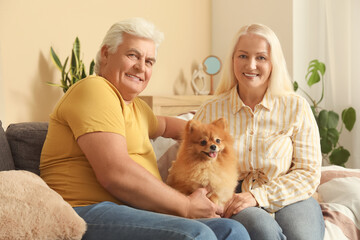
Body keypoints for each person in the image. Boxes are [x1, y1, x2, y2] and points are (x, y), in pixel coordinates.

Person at [40, 18, 250, 240]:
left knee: (232, 230)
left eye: (149, 61)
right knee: (196, 234)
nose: (141, 67)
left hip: (136, 211)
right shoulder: (95, 89)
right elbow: (114, 172)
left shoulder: (136, 107)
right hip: (85, 211)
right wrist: (186, 206)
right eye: (133, 55)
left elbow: (167, 125)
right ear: (105, 53)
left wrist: (209, 135)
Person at [194, 23, 325, 240]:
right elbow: (194, 161)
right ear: (233, 59)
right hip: (234, 197)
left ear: (273, 63)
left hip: (291, 194)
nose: (251, 65)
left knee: (303, 236)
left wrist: (258, 196)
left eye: (261, 58)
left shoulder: (297, 107)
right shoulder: (211, 110)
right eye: (243, 56)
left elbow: (309, 171)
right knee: (263, 231)